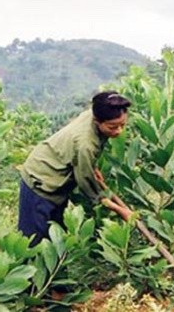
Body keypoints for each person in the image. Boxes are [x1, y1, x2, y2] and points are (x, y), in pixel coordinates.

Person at [18, 91, 131, 246]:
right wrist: (121, 210)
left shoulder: (92, 113)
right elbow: (88, 186)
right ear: (98, 121)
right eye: (112, 127)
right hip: (40, 180)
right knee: (33, 241)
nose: (119, 131)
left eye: (122, 125)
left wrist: (91, 167)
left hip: (58, 172)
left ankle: (54, 270)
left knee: (55, 239)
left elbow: (83, 161)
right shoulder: (85, 144)